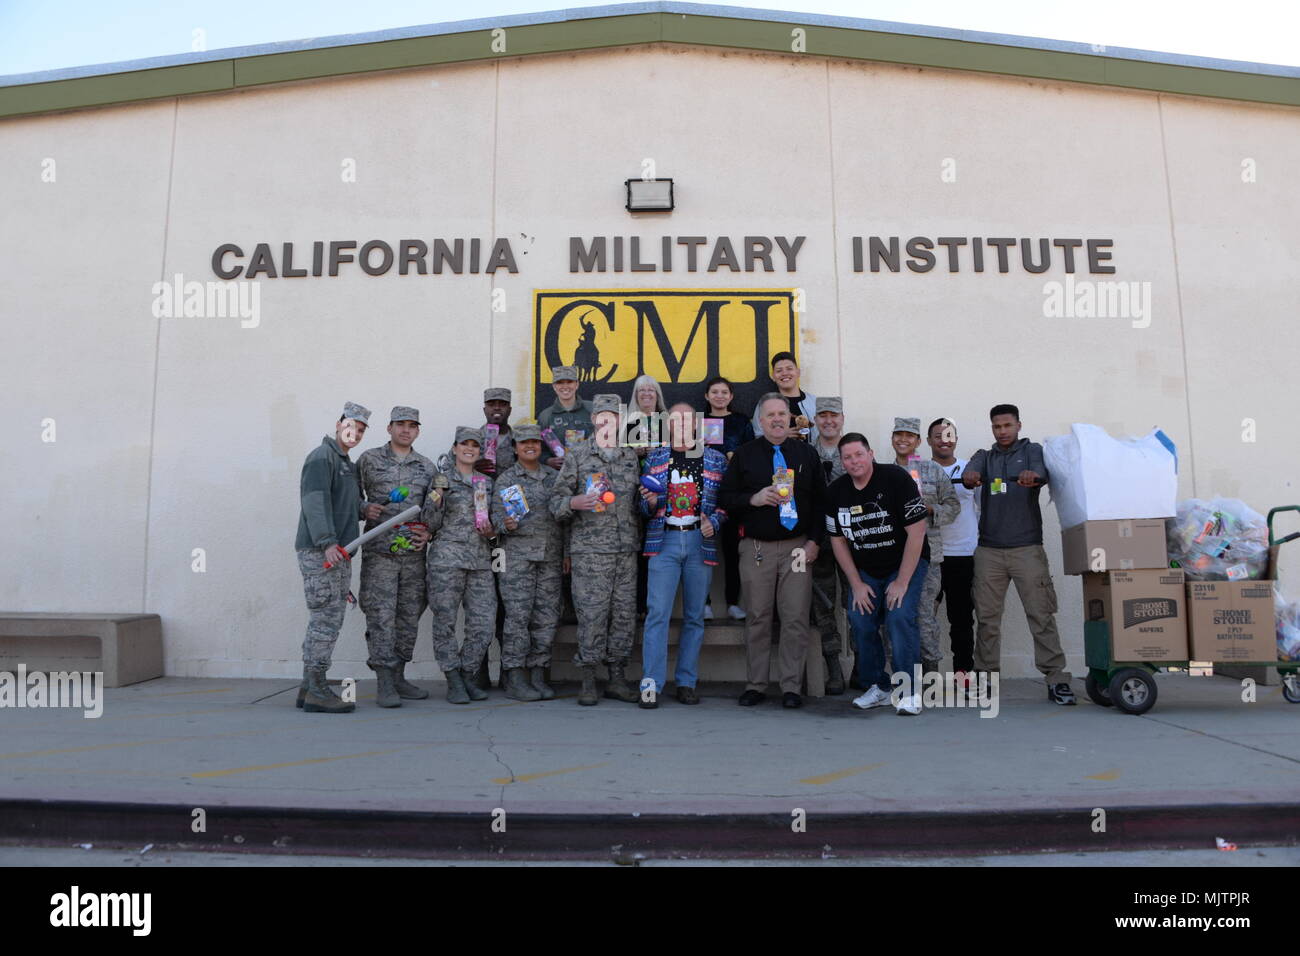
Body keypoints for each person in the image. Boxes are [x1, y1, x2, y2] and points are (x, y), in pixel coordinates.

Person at [718, 393, 827, 708]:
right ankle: (756, 684)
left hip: (797, 549)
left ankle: (791, 687)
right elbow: (725, 497)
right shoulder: (744, 455)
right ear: (760, 421)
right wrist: (753, 499)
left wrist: (814, 542)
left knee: (794, 617)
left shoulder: (806, 454)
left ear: (790, 418)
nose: (778, 419)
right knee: (758, 617)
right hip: (757, 549)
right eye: (771, 415)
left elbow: (822, 503)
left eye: (783, 414)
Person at [963, 404, 1076, 705]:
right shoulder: (984, 457)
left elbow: (1041, 473)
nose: (1002, 431)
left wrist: (1032, 475)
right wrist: (971, 475)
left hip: (1027, 548)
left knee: (1041, 616)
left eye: (1007, 425)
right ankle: (986, 681)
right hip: (989, 551)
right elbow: (968, 472)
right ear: (992, 429)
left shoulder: (1033, 451)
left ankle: (1056, 680)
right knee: (987, 619)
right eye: (997, 427)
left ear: (1018, 425)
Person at [825, 433, 930, 716]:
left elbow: (917, 532)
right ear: (842, 461)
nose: (854, 461)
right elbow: (837, 541)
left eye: (859, 454)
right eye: (847, 457)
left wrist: (902, 582)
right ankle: (879, 687)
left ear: (871, 454)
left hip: (905, 563)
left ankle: (908, 691)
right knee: (860, 619)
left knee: (898, 616)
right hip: (867, 570)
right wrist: (856, 584)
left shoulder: (896, 478)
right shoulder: (836, 492)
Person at [549, 394, 643, 706]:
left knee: (623, 616)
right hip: (589, 552)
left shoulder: (631, 455)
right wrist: (572, 503)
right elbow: (555, 503)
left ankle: (617, 676)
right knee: (591, 615)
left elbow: (639, 502)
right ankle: (588, 678)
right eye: (602, 415)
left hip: (626, 550)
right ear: (594, 419)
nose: (607, 421)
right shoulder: (577, 454)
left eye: (613, 416)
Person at [639, 403, 729, 707]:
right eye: (674, 418)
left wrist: (713, 522)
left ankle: (687, 681)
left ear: (696, 424)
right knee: (657, 615)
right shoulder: (655, 458)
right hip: (663, 540)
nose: (680, 423)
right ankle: (651, 682)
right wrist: (649, 503)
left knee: (694, 617)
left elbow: (727, 503)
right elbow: (641, 508)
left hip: (697, 541)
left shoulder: (715, 459)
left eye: (686, 418)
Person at [294, 402, 370, 714]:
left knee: (329, 618)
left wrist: (367, 510)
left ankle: (307, 686)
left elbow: (344, 503)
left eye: (363, 429)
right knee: (325, 619)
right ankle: (316, 688)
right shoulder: (321, 457)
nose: (356, 432)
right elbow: (314, 502)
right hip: (322, 551)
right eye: (352, 425)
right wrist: (327, 542)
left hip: (339, 552)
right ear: (339, 424)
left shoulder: (345, 463)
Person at [357, 406, 435, 708]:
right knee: (381, 617)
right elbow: (349, 496)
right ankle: (384, 682)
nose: (406, 430)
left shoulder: (427, 468)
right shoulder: (369, 460)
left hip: (413, 557)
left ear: (417, 430)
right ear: (389, 428)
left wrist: (429, 532)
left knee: (409, 617)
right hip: (380, 555)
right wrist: (364, 509)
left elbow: (434, 510)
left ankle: (399, 675)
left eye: (412, 425)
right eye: (400, 424)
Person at [422, 426, 498, 704]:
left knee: (483, 622)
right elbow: (428, 522)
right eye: (463, 444)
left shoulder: (486, 484)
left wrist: (492, 531)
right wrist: (438, 496)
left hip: (479, 561)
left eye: (474, 446)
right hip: (446, 560)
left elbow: (495, 525)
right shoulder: (440, 479)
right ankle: (453, 678)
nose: (469, 449)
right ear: (454, 448)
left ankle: (468, 674)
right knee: (445, 621)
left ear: (479, 452)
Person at [491, 424, 564, 701]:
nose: (530, 446)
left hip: (550, 556)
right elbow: (494, 520)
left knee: (546, 617)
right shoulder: (507, 479)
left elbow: (565, 519)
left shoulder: (554, 477)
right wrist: (504, 523)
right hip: (518, 557)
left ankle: (537, 672)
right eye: (523, 443)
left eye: (534, 442)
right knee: (518, 618)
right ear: (515, 448)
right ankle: (515, 675)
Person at [890, 417, 960, 675]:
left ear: (918, 441)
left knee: (925, 617)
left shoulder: (932, 470)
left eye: (909, 435)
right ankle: (903, 673)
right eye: (899, 434)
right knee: (895, 618)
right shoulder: (885, 473)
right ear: (892, 439)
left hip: (929, 558)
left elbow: (954, 507)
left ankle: (930, 672)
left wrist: (931, 509)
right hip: (893, 559)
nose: (903, 439)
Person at [928, 417, 979, 689]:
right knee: (924, 618)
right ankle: (926, 677)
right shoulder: (920, 471)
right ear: (929, 441)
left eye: (948, 435)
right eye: (937, 435)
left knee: (961, 619)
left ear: (956, 439)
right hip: (930, 555)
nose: (943, 439)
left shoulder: (970, 471)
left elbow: (982, 507)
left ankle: (963, 677)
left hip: (963, 554)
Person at [702, 376, 754, 622]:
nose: (720, 396)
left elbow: (753, 454)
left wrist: (739, 461)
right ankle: (704, 603)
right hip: (704, 494)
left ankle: (733, 602)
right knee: (703, 549)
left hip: (734, 493)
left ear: (731, 397)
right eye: (715, 392)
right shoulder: (697, 422)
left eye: (724, 392)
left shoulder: (741, 421)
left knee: (733, 551)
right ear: (707, 396)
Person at [809, 396, 850, 694]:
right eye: (822, 415)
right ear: (815, 419)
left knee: (859, 604)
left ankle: (864, 667)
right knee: (822, 605)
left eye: (833, 415)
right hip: (819, 539)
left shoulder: (854, 451)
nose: (828, 421)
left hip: (853, 540)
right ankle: (833, 668)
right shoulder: (806, 452)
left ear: (842, 419)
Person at [750, 351, 818, 442]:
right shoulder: (765, 404)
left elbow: (821, 436)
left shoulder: (814, 402)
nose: (784, 373)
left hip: (810, 455)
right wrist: (778, 436)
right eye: (779, 370)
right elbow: (758, 436)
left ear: (798, 372)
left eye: (789, 369)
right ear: (773, 376)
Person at [537, 366, 595, 468]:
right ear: (554, 386)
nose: (565, 386)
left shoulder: (592, 409)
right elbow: (539, 449)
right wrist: (548, 460)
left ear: (577, 384)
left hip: (591, 471)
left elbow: (608, 439)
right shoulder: (545, 416)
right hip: (560, 474)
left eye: (569, 382)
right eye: (560, 382)